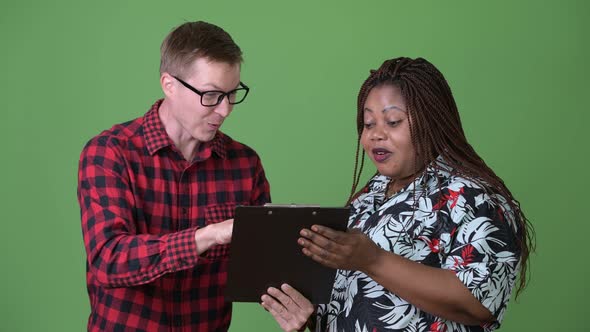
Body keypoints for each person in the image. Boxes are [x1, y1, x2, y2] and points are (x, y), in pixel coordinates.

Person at [260, 57, 534, 332]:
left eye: (392, 121)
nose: (376, 135)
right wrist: (306, 316)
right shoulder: (367, 197)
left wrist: (373, 259)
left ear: (431, 121)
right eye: (368, 124)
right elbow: (355, 304)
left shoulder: (473, 198)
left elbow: (479, 303)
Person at [77, 21, 271, 331]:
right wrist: (208, 235)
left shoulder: (245, 165)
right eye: (211, 95)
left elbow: (262, 268)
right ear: (169, 85)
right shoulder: (110, 154)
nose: (224, 110)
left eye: (232, 94)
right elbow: (108, 260)